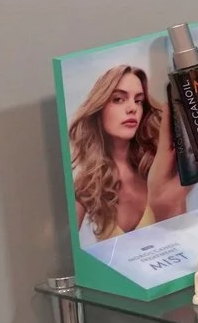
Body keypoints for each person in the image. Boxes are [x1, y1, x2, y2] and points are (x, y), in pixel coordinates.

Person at [69, 64, 183, 241]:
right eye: (119, 99)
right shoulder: (87, 182)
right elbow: (66, 253)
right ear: (99, 109)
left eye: (138, 100)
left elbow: (181, 235)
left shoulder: (157, 166)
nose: (132, 108)